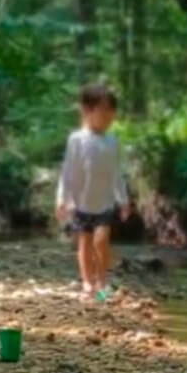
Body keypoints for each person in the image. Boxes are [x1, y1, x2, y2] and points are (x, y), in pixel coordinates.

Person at [55, 84, 131, 300]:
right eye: (103, 109)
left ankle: (102, 281)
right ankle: (87, 282)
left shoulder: (112, 141)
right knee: (85, 242)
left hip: (105, 202)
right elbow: (68, 171)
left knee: (101, 240)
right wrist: (62, 199)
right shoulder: (77, 139)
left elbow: (117, 173)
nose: (108, 115)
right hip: (81, 202)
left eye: (111, 110)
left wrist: (123, 200)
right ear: (86, 111)